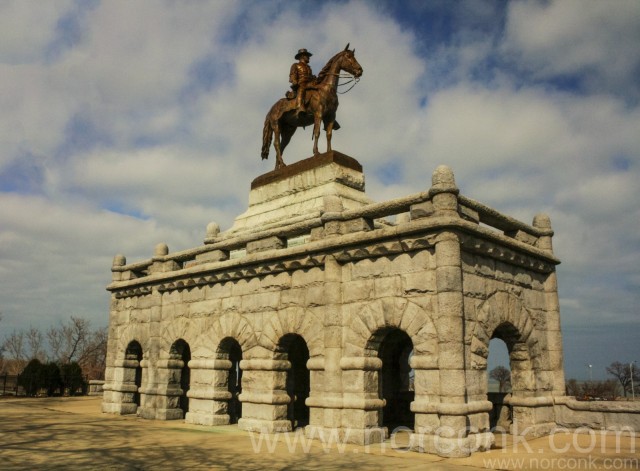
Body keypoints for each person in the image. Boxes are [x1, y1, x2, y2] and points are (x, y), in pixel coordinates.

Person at [289, 48, 315, 117]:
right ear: (302, 56)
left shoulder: (309, 67)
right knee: (301, 89)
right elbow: (292, 74)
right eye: (307, 56)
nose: (309, 58)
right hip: (301, 84)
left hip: (310, 84)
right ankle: (300, 107)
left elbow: (311, 77)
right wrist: (294, 80)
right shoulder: (295, 65)